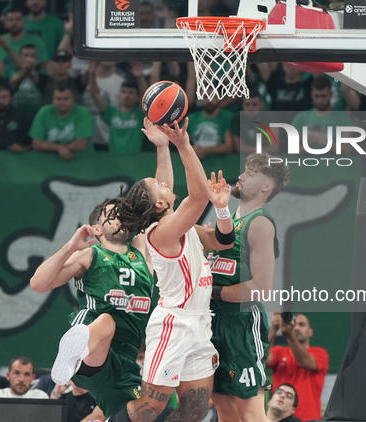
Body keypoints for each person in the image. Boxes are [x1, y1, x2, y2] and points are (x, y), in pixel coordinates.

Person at [105, 117, 235, 422]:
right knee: (149, 409)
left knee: (195, 411)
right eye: (159, 187)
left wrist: (163, 148)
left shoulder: (176, 222)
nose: (165, 182)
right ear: (159, 205)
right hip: (174, 325)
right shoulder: (161, 233)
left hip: (200, 322)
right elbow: (198, 195)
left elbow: (223, 241)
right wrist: (183, 144)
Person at [30, 189, 156, 417]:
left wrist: (162, 151)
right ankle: (74, 354)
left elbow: (153, 193)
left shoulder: (141, 253)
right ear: (96, 228)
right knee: (106, 321)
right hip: (95, 352)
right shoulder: (91, 254)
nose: (120, 216)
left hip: (125, 361)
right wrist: (71, 246)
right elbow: (38, 283)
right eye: (112, 214)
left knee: (143, 413)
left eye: (123, 213)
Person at [210, 152, 290, 422]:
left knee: (250, 411)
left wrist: (212, 292)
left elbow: (260, 288)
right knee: (223, 406)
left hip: (242, 324)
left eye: (252, 173)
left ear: (267, 186)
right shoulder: (228, 222)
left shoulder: (259, 223)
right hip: (214, 321)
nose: (241, 176)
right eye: (245, 170)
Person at [267, 313, 329, 422]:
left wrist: (289, 335)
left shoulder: (320, 353)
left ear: (310, 332)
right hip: (278, 418)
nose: (296, 328)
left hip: (309, 419)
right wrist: (273, 328)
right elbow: (262, 359)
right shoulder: (279, 352)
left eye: (301, 324)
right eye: (294, 324)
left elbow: (305, 361)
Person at [87, 64, 147, 153]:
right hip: (114, 160)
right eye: (123, 92)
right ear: (119, 95)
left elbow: (146, 98)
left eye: (131, 93)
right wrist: (92, 74)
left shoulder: (140, 114)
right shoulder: (111, 113)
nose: (127, 96)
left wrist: (140, 78)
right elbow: (96, 95)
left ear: (137, 97)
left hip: (136, 160)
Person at [290, 75, 355, 154]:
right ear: (311, 95)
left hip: (334, 164)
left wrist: (324, 141)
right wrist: (308, 145)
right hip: (307, 163)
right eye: (316, 96)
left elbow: (347, 150)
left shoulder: (343, 119)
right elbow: (291, 149)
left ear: (330, 94)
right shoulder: (301, 118)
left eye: (323, 96)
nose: (320, 100)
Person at [30, 80, 93, 161]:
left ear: (73, 99)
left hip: (80, 160)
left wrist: (60, 149)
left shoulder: (83, 112)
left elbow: (82, 144)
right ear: (53, 100)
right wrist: (59, 148)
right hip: (49, 161)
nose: (62, 102)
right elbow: (36, 144)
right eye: (58, 99)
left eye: (66, 99)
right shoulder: (44, 112)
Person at [0, 7, 48, 76]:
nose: (14, 23)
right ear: (4, 23)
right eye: (10, 20)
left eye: (18, 20)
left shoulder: (36, 41)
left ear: (24, 22)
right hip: (2, 83)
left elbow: (43, 67)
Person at [186, 90, 234, 159]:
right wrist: (192, 150)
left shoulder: (228, 117)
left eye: (213, 96)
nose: (209, 100)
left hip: (222, 164)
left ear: (219, 98)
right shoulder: (191, 118)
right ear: (200, 99)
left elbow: (229, 147)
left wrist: (206, 150)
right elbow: (182, 144)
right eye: (205, 97)